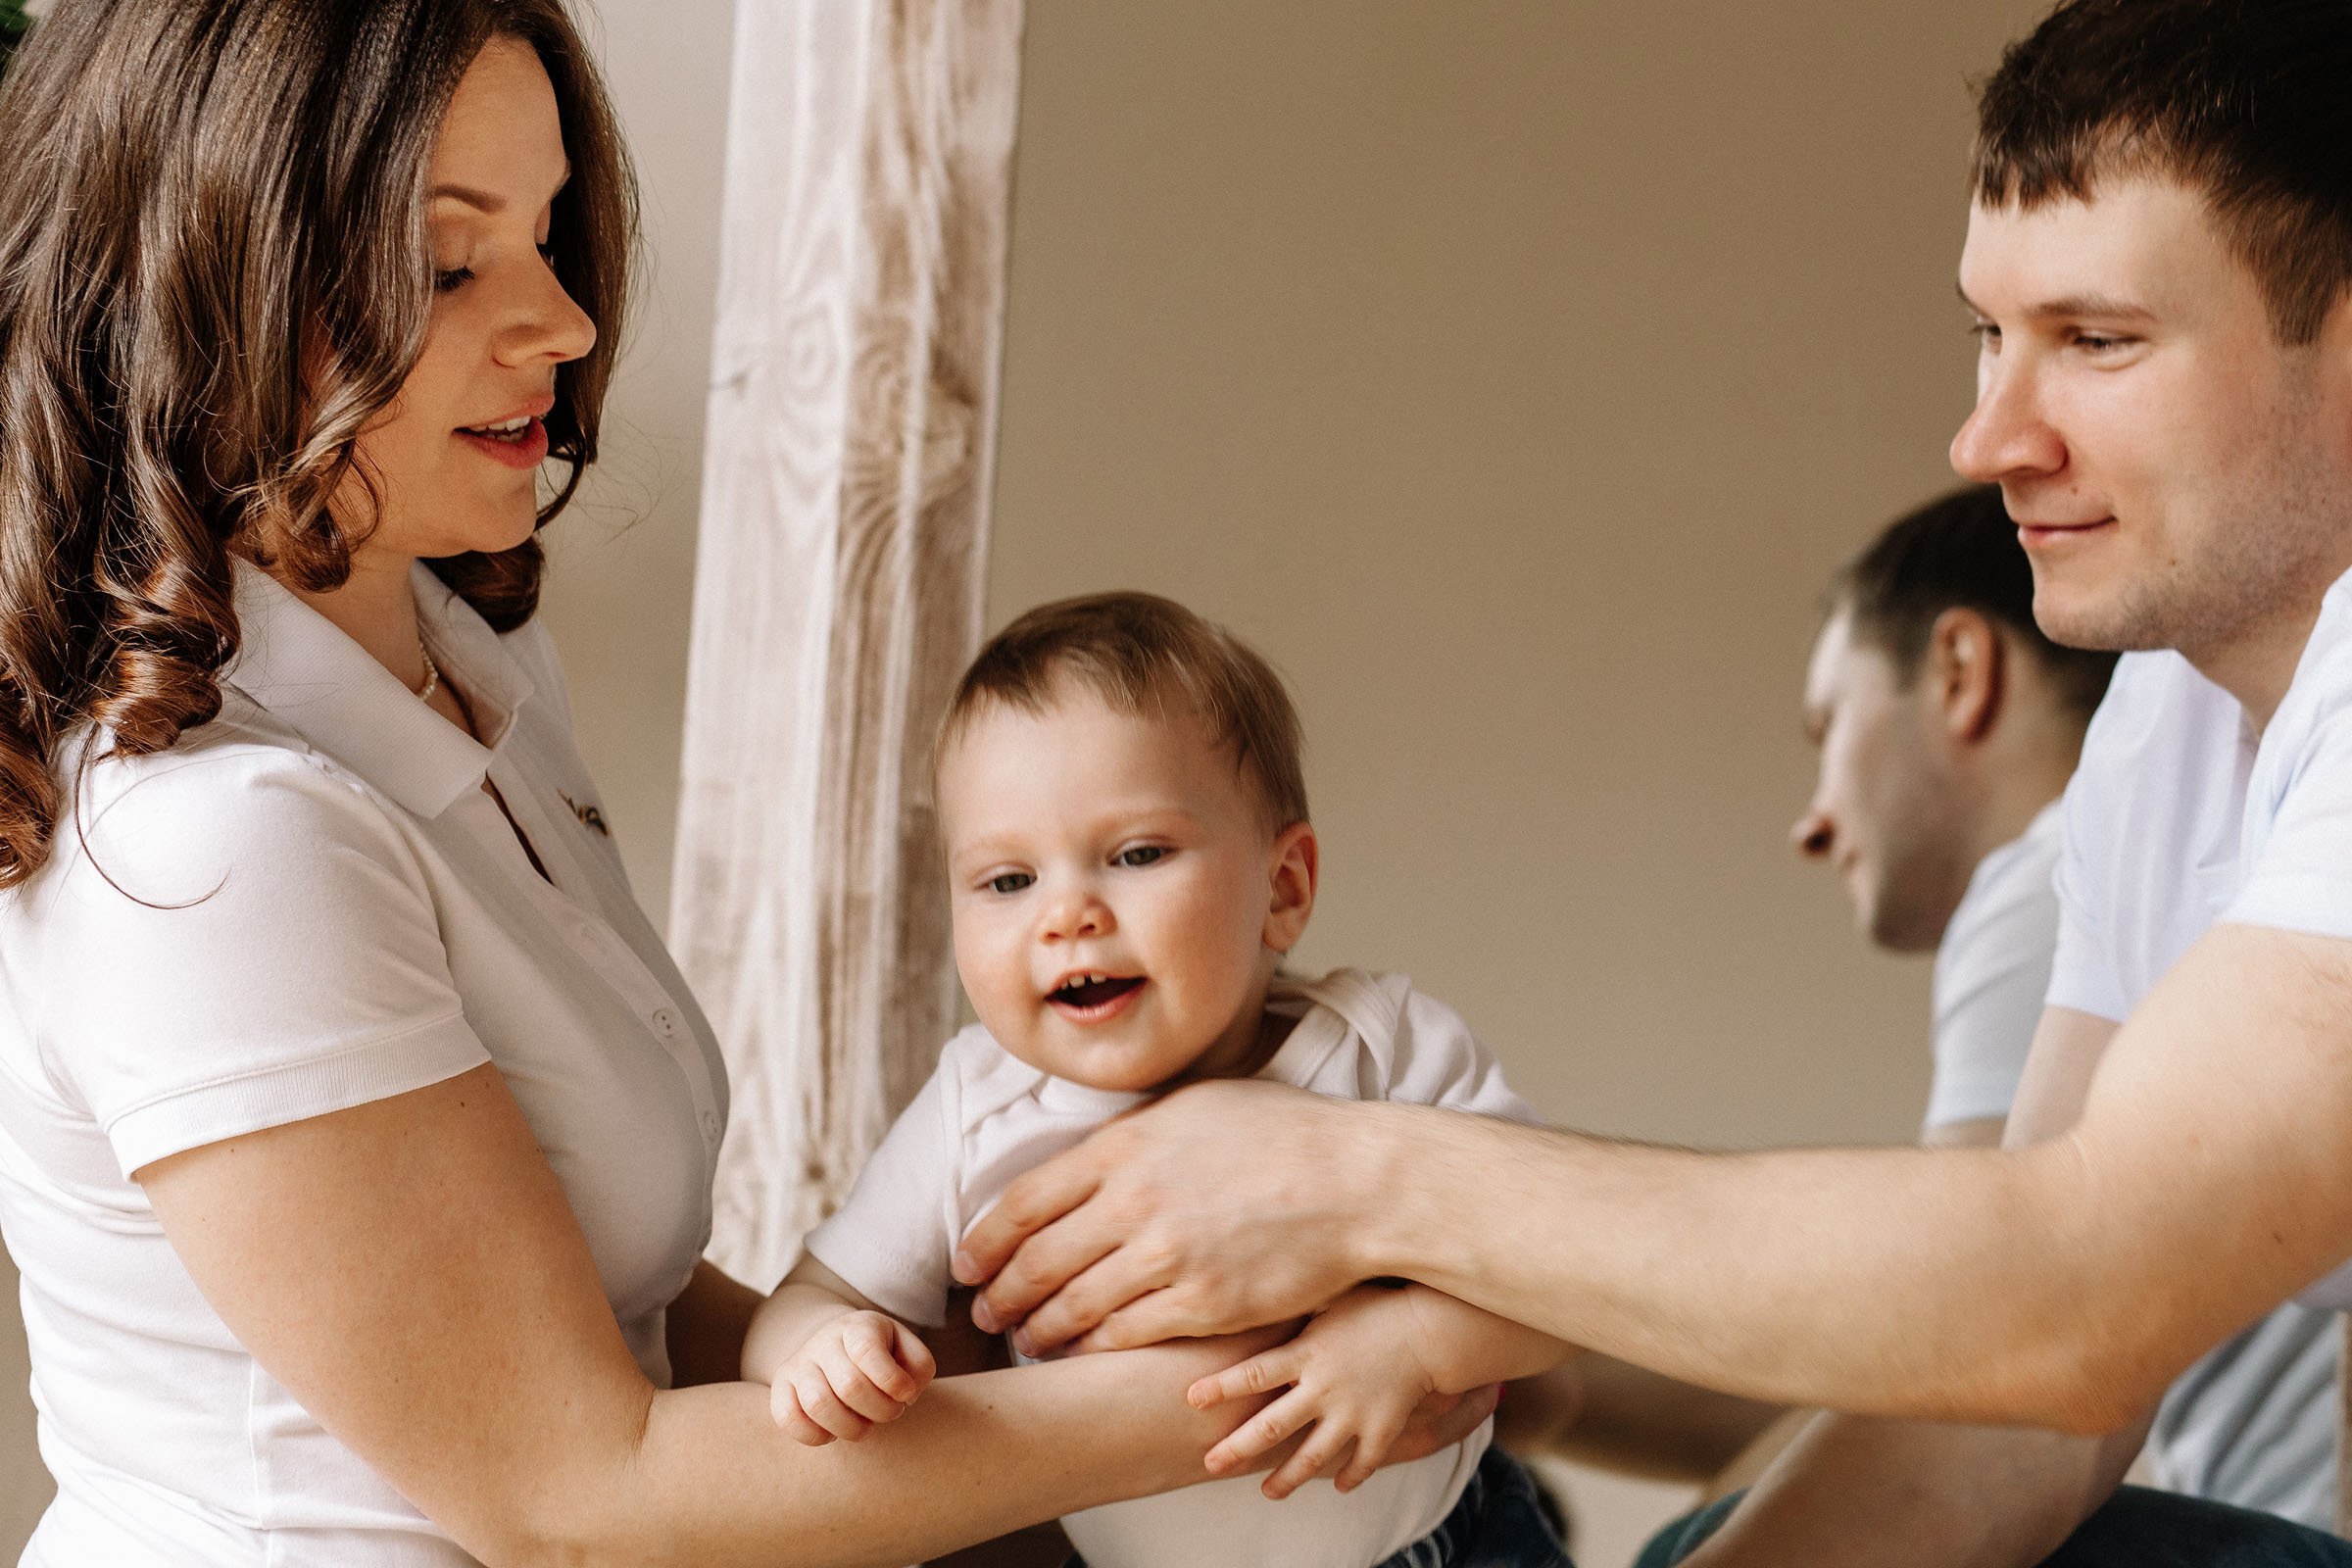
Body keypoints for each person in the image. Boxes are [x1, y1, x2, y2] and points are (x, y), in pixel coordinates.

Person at [0, 6, 1490, 1565]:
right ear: (204, 290)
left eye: (550, 233)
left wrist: (890, 1357)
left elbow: (617, 1323)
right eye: (449, 267)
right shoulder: (213, 846)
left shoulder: (469, 663)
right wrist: (1314, 1374)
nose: (563, 324)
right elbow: (573, 1495)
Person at [947, 2, 2352, 1561]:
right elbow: (2021, 1421)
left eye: (2098, 341)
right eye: (1989, 334)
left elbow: (2082, 1303)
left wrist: (1349, 1174)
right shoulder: (2176, 710)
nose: (1986, 436)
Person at [742, 592, 1574, 1568]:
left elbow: (1556, 1278)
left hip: (1453, 1545)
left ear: (1285, 887)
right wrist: (820, 1349)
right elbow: (808, 1295)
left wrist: (1409, 1343)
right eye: (1008, 881)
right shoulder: (978, 1111)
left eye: (1136, 854)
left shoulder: (1376, 1047)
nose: (1067, 915)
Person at [1503, 482, 2141, 1489]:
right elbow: (1888, 1391)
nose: (1812, 824)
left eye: (1827, 729)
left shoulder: (2056, 884)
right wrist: (1496, 1371)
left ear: (1960, 671)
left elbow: (1968, 1376)